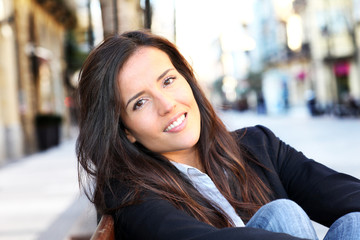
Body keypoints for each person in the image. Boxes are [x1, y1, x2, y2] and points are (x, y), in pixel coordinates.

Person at [76, 30, 360, 240]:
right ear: (125, 129)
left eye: (168, 81)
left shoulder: (258, 146)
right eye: (140, 102)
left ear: (188, 80)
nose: (167, 105)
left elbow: (342, 194)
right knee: (283, 213)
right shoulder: (129, 195)